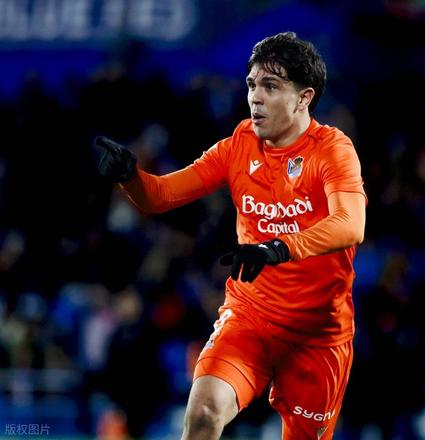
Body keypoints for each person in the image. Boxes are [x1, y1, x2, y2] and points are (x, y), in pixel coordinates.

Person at [95, 32, 367, 439]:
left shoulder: (332, 149)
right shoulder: (238, 146)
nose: (255, 97)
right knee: (203, 414)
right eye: (252, 85)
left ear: (304, 97)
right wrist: (131, 178)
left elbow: (351, 224)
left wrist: (279, 248)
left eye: (270, 86)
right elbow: (161, 195)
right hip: (250, 317)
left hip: (318, 334)